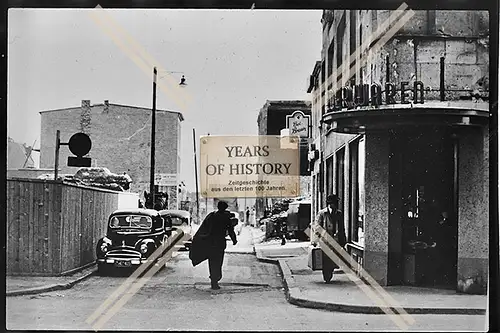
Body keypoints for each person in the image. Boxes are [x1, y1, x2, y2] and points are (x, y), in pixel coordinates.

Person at [189, 201, 238, 290]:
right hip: (219, 244)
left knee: (212, 263)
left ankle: (214, 281)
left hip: (211, 243)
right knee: (218, 263)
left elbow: (204, 228)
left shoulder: (212, 216)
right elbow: (230, 230)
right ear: (225, 208)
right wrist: (234, 240)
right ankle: (216, 279)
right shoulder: (226, 217)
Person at [312, 194, 346, 283]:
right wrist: (315, 240)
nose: (335, 205)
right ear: (330, 204)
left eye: (336, 203)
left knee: (333, 258)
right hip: (325, 240)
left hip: (336, 240)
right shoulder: (322, 213)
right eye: (334, 203)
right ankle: (327, 276)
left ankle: (329, 273)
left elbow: (342, 228)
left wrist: (343, 241)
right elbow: (317, 227)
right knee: (326, 259)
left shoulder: (339, 213)